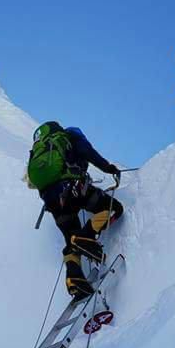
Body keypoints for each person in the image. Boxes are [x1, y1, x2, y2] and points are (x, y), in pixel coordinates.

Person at [26, 121, 124, 298]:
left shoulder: (41, 151)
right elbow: (88, 152)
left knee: (71, 240)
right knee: (113, 208)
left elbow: (32, 183)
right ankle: (86, 237)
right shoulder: (70, 135)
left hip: (52, 202)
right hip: (72, 189)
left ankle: (74, 280)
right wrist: (108, 168)